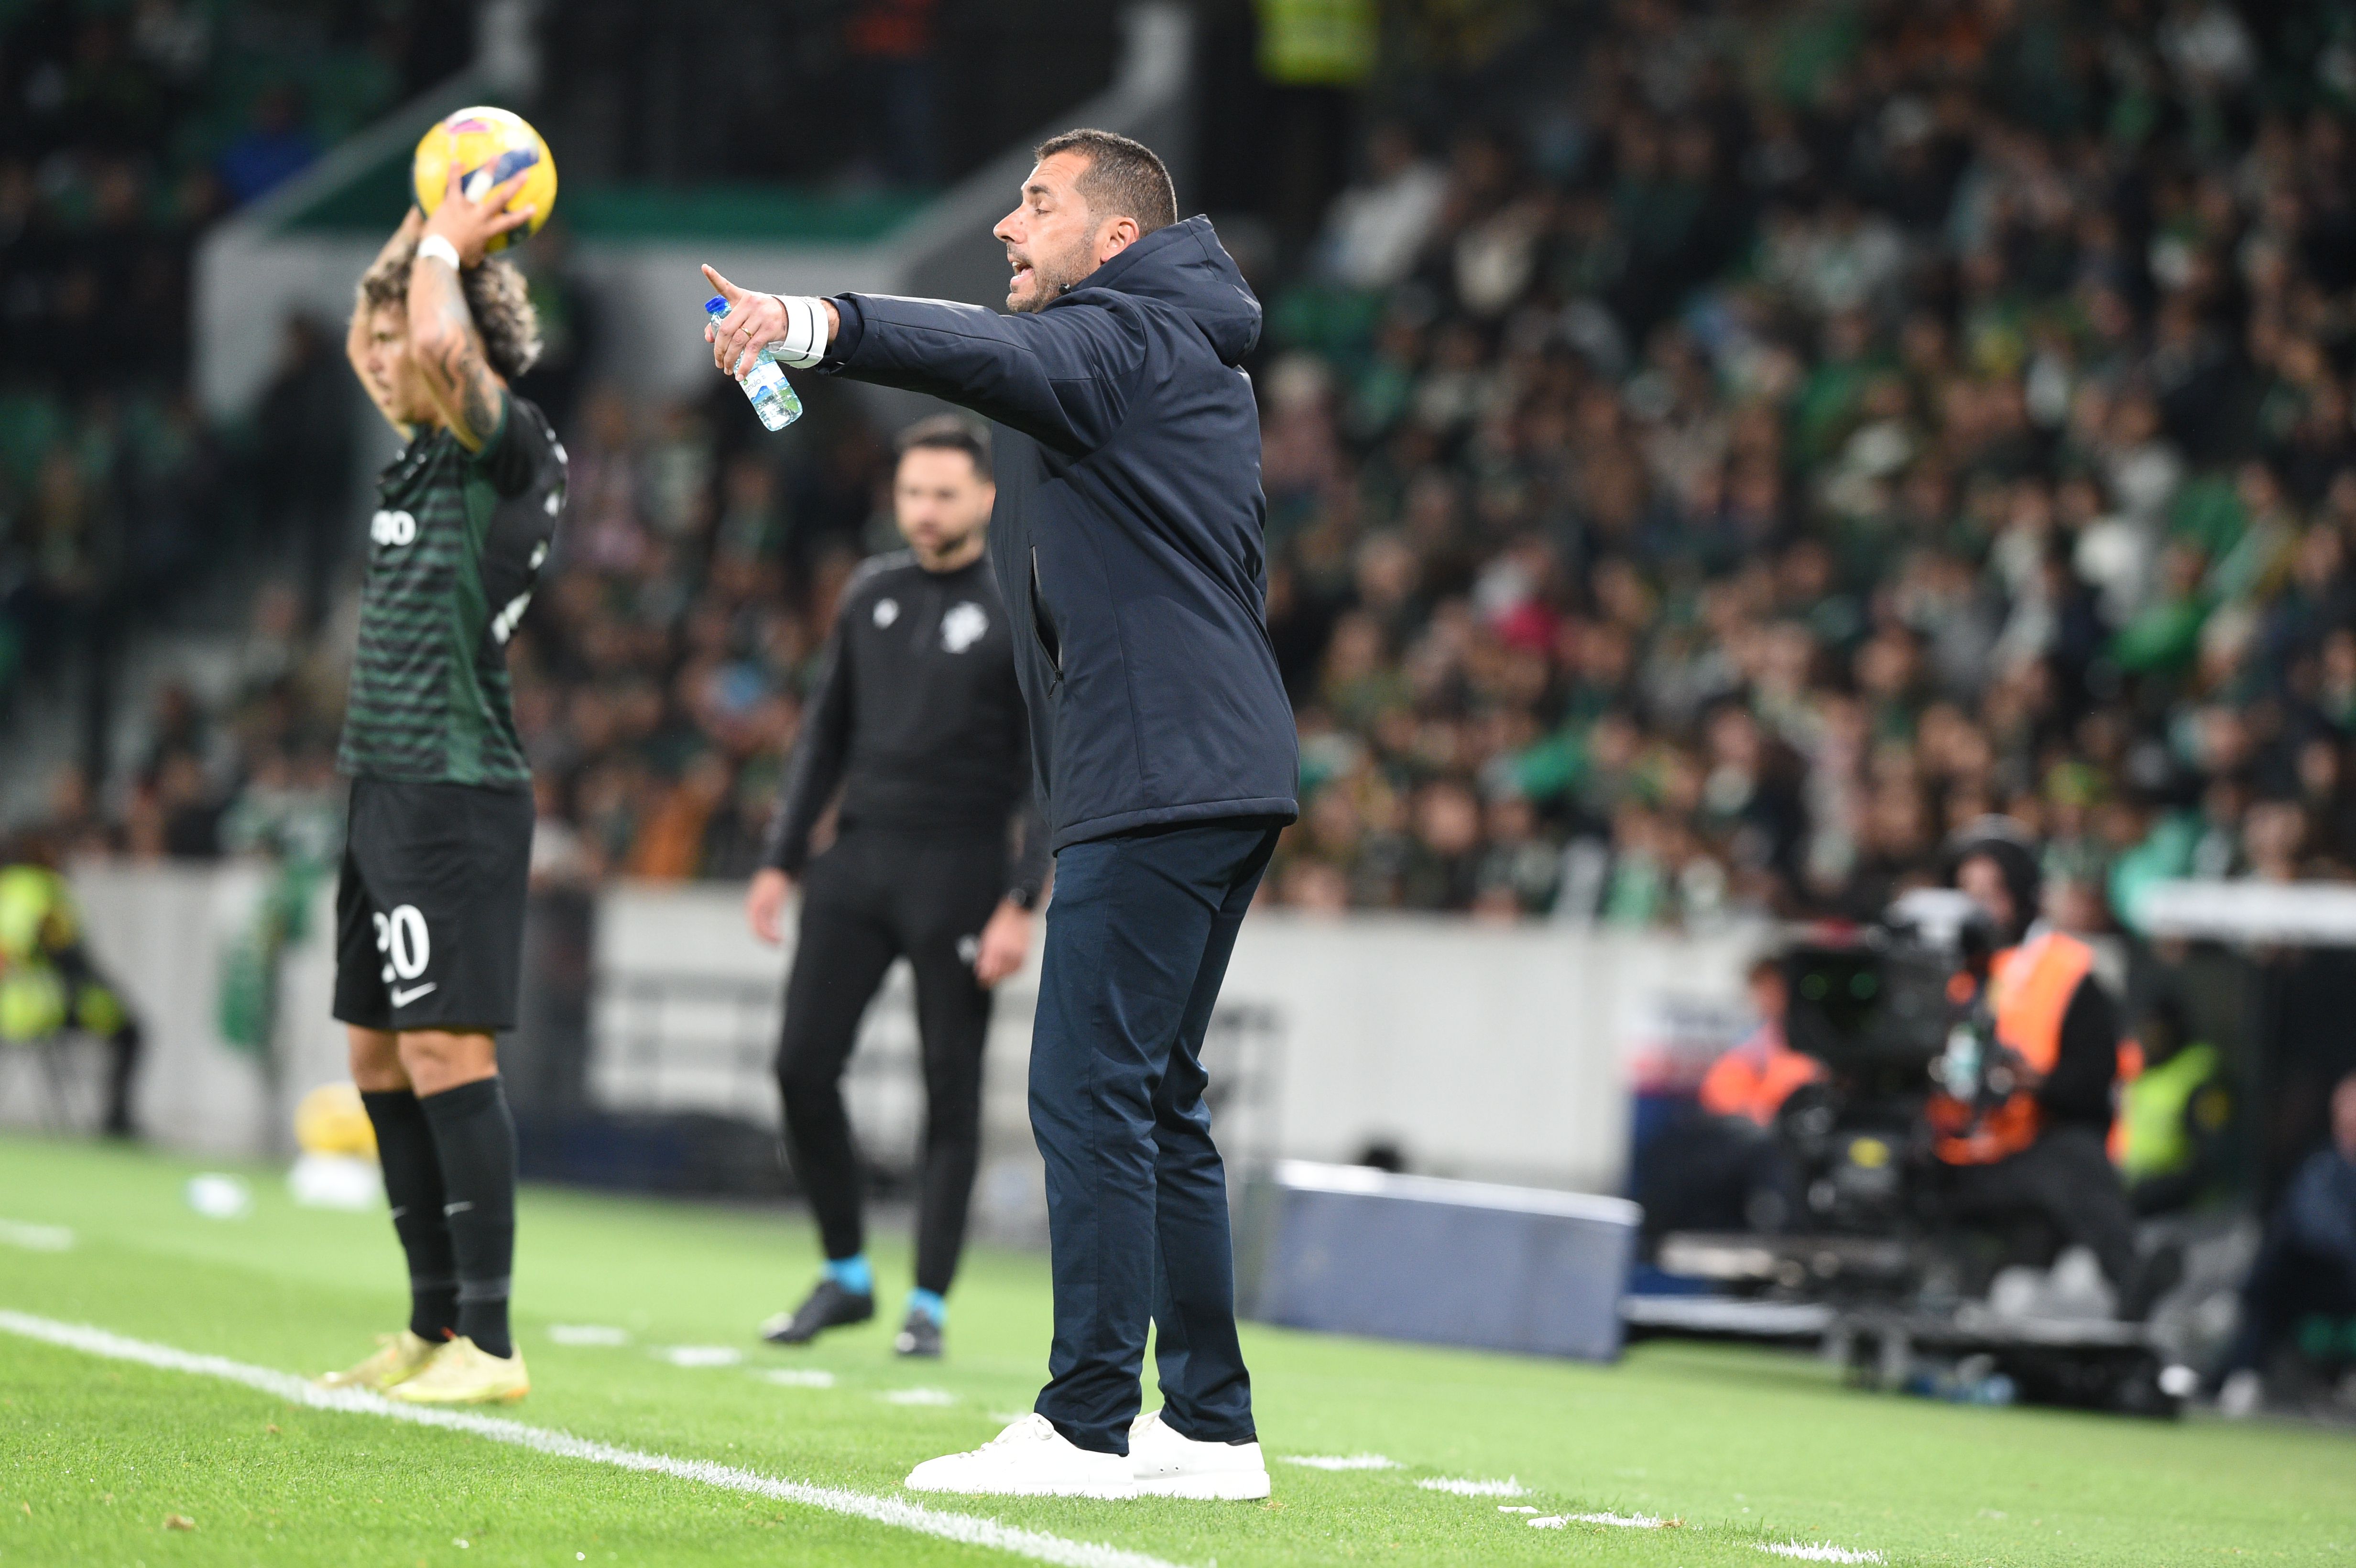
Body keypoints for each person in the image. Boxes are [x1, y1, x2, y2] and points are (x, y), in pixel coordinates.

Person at [702, 127, 1296, 1501]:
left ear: (1117, 240)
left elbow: (988, 351)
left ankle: (1088, 1421)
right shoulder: (1166, 353)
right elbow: (997, 368)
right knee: (1158, 1101)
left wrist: (811, 322)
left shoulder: (1125, 342)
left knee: (1087, 1088)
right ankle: (1209, 1428)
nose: (1007, 226)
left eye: (1038, 204)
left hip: (1155, 774)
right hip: (1208, 767)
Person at [312, 169, 566, 1407]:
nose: (377, 359)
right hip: (380, 789)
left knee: (448, 1051)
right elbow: (416, 331)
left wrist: (445, 252)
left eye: (389, 341)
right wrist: (421, 217)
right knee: (376, 1058)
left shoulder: (502, 443)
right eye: (369, 341)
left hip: (454, 793)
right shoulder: (418, 463)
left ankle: (492, 1344)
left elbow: (442, 342)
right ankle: (426, 1329)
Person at [747, 415, 1047, 1360]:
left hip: (960, 870)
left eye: (944, 494)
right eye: (912, 492)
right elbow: (823, 735)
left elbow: (1052, 765)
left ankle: (929, 1302)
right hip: (860, 860)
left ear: (987, 497)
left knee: (948, 1093)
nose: (924, 510)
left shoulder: (1020, 598)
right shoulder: (871, 590)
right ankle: (846, 1272)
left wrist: (1021, 897)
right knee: (800, 1065)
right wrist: (780, 857)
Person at [1926, 817, 2180, 1319]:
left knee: (2074, 1159)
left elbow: (2092, 1087)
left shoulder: (2068, 974)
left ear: (2021, 895)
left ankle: (2130, 1286)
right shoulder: (1932, 965)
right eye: (1966, 892)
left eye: (1991, 892)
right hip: (1941, 1148)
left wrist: (2036, 1082)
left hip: (2019, 1150)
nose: (1978, 907)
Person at [2216, 1072, 2356, 1416]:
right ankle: (2242, 1375)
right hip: (2333, 1277)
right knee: (2274, 1272)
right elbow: (2315, 1227)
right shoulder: (2322, 1167)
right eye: (2346, 1108)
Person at [0, 836, 142, 1137]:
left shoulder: (7, 886)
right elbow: (57, 955)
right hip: (41, 1006)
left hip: (13, 1008)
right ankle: (116, 1120)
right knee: (132, 1031)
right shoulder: (42, 891)